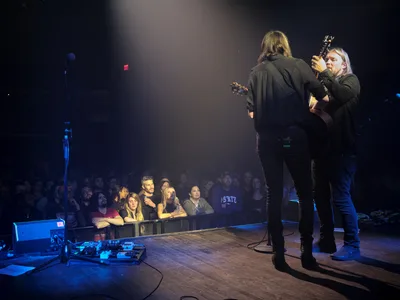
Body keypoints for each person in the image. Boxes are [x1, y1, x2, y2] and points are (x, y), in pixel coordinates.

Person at [246, 30, 328, 270]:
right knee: (305, 193)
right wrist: (308, 106)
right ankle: (306, 252)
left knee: (273, 193)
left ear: (265, 47)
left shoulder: (255, 72)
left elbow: (251, 111)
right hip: (295, 135)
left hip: (267, 139)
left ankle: (279, 252)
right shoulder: (298, 65)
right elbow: (323, 96)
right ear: (284, 45)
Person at [311, 48, 361, 261]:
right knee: (320, 197)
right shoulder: (325, 87)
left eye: (333, 59)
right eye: (327, 59)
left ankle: (352, 245)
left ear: (344, 64)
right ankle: (327, 240)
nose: (328, 62)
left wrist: (323, 73)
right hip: (322, 150)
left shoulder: (351, 80)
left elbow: (340, 95)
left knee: (341, 198)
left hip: (342, 151)